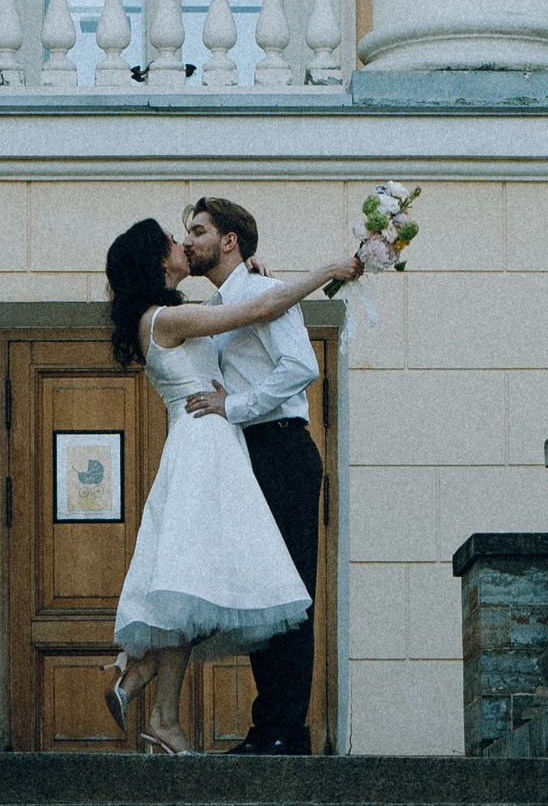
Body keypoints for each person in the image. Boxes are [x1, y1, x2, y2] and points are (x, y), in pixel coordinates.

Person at [101, 217, 359, 756]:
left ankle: (152, 693)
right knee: (199, 580)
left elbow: (251, 305)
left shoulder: (171, 315)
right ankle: (155, 697)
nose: (183, 244)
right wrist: (328, 270)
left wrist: (251, 275)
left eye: (192, 232)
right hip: (205, 447)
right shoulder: (168, 319)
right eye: (174, 240)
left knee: (198, 581)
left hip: (212, 447)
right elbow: (258, 310)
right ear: (156, 261)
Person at [179, 196, 327, 756]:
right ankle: (270, 727)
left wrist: (233, 406)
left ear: (229, 241)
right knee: (264, 590)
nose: (189, 241)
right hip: (247, 454)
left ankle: (287, 730)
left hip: (281, 450)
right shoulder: (225, 303)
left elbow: (302, 367)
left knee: (290, 593)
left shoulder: (266, 293)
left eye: (198, 231)